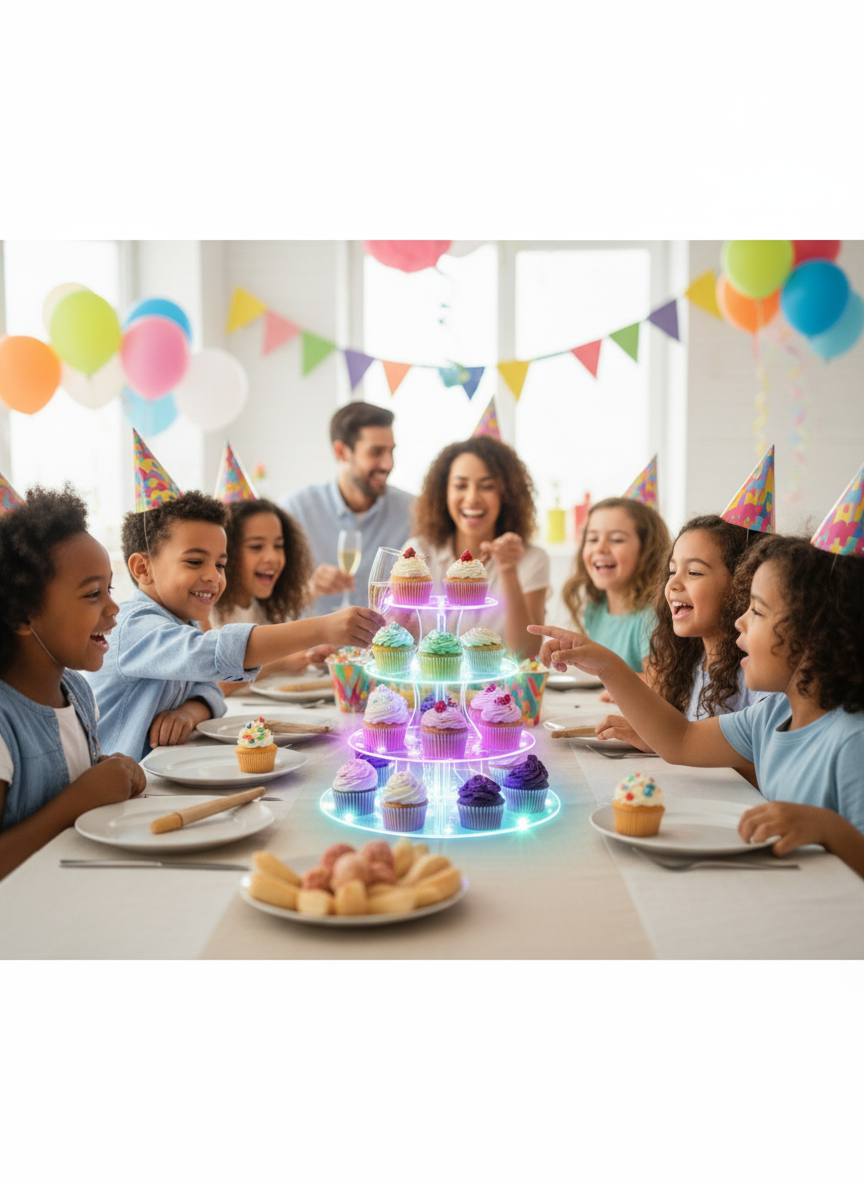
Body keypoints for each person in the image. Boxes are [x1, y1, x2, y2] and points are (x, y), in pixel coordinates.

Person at [528, 534, 864, 878]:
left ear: (819, 636)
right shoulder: (772, 715)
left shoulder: (853, 741)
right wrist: (607, 665)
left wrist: (830, 829)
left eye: (757, 610)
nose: (740, 621)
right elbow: (681, 739)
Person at [86, 491, 384, 761]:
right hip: (113, 789)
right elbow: (212, 654)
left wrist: (191, 712)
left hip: (154, 776)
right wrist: (322, 628)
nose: (214, 577)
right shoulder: (132, 625)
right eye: (194, 562)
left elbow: (210, 687)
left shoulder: (181, 620)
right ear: (142, 569)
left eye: (219, 565)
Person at [0, 485, 145, 880]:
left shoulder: (78, 692)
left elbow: (72, 776)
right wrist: (76, 802)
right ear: (23, 615)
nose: (114, 608)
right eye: (94, 594)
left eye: (110, 589)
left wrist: (112, 770)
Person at [596, 515, 773, 756]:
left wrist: (666, 740)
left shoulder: (761, 676)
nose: (673, 584)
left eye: (694, 572)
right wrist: (660, 737)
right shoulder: (692, 661)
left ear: (741, 585)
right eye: (672, 571)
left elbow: (761, 766)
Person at [405, 437, 549, 657]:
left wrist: (508, 570)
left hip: (498, 691)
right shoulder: (418, 554)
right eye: (461, 486)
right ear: (443, 493)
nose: (472, 498)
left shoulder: (531, 560)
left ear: (506, 494)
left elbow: (527, 654)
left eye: (487, 486)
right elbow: (399, 642)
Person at [282, 402, 415, 614]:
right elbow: (269, 602)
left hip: (388, 645)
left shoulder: (413, 512)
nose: (388, 464)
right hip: (317, 646)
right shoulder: (296, 510)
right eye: (376, 452)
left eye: (391, 452)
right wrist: (309, 588)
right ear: (342, 451)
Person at [207, 498, 335, 696]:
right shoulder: (206, 612)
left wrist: (307, 657)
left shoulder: (264, 607)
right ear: (225, 552)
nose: (273, 557)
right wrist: (282, 662)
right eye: (256, 547)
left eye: (279, 546)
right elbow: (212, 684)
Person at [562, 496, 670, 699]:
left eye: (616, 539)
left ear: (647, 550)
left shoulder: (651, 616)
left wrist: (616, 682)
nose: (600, 548)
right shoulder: (595, 609)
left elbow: (660, 684)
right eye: (592, 539)